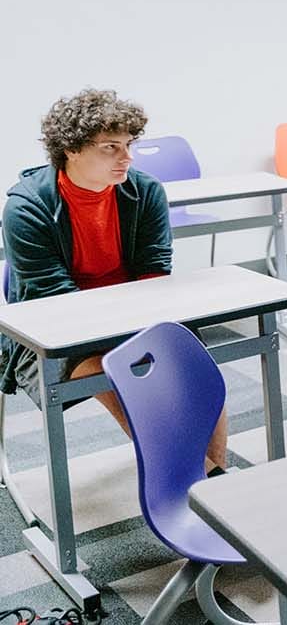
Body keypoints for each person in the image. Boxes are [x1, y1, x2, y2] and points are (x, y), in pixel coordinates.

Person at [1, 89, 228, 473]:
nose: (127, 157)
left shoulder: (146, 192)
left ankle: (211, 473)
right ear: (71, 149)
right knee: (116, 372)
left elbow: (155, 272)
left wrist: (148, 327)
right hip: (57, 329)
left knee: (196, 364)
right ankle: (195, 476)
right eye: (111, 147)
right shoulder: (26, 208)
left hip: (139, 311)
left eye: (129, 145)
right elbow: (53, 298)